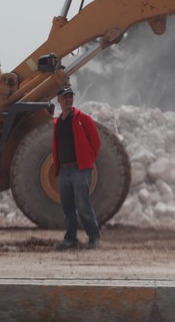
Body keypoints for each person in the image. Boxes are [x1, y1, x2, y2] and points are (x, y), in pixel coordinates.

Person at [52, 85, 102, 250]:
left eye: (70, 97)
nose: (68, 99)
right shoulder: (58, 122)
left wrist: (87, 160)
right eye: (65, 97)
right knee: (67, 208)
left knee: (83, 205)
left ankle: (94, 238)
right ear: (58, 99)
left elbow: (96, 142)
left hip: (79, 169)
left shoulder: (83, 119)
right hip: (64, 170)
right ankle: (70, 239)